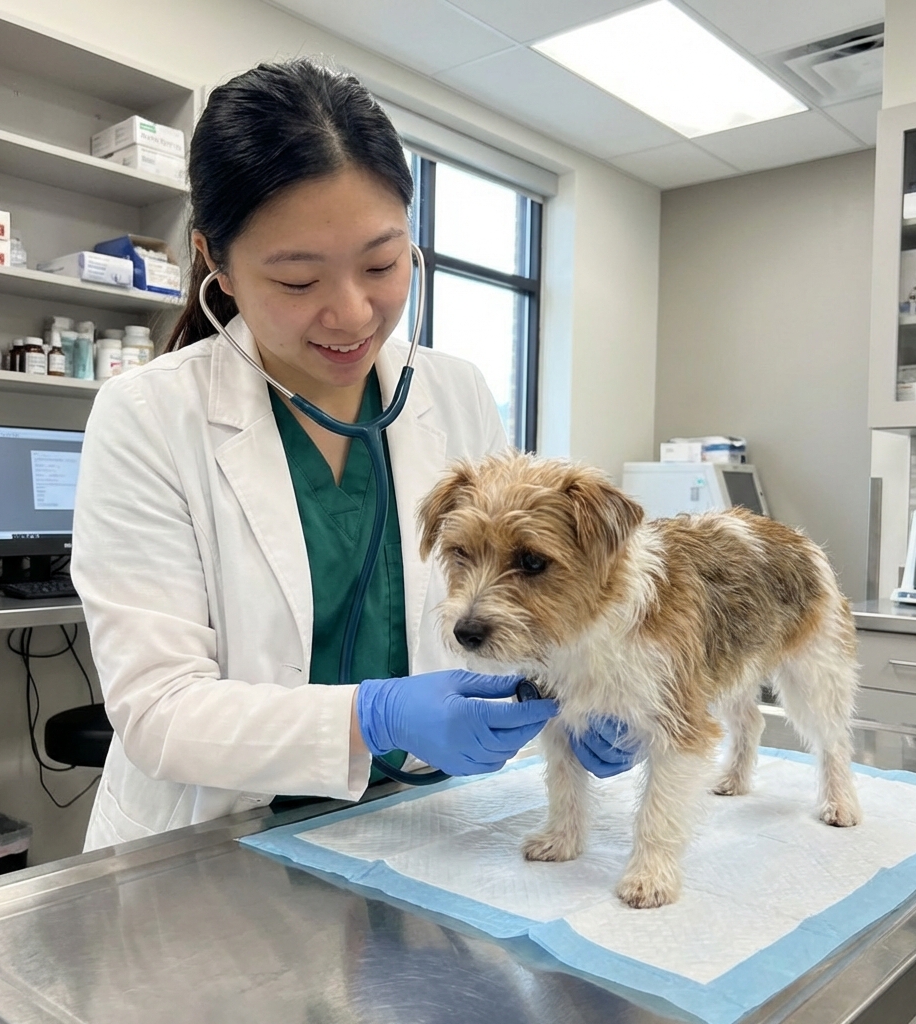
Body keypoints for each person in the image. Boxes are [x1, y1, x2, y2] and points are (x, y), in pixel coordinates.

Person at [72, 59, 632, 852]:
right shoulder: (148, 417)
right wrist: (373, 716)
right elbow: (159, 712)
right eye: (298, 280)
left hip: (424, 827)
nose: (353, 312)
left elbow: (521, 606)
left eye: (381, 264)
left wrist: (596, 691)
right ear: (218, 265)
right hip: (219, 846)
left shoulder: (458, 391)